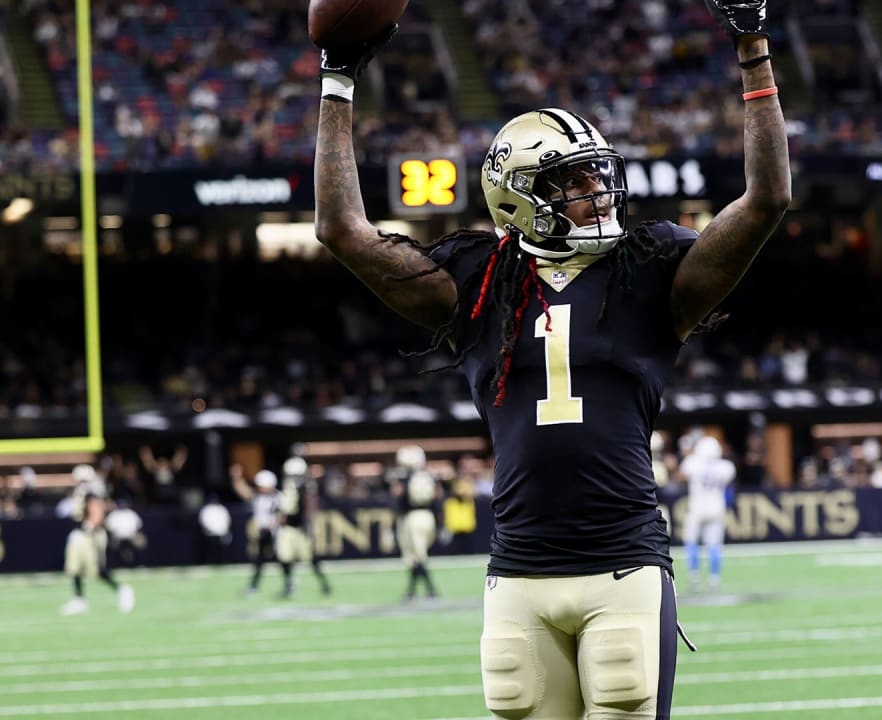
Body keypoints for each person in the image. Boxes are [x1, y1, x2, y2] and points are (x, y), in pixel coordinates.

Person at [312, 0, 787, 714]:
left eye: (596, 175)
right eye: (572, 182)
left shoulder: (650, 270)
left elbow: (767, 199)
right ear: (518, 201)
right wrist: (338, 81)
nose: (597, 192)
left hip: (623, 565)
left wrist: (752, 42)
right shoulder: (477, 285)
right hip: (520, 575)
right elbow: (341, 230)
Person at [61, 464, 134, 616]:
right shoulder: (81, 492)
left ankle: (121, 589)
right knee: (74, 568)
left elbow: (97, 511)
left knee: (96, 570)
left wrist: (91, 526)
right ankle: (79, 600)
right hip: (80, 533)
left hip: (90, 534)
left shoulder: (92, 492)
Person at [679, 436, 736, 592]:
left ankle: (694, 576)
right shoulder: (726, 467)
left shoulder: (692, 463)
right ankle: (714, 578)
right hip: (717, 508)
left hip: (697, 508)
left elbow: (682, 474)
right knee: (714, 545)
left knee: (691, 541)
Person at [276, 456, 333, 597]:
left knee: (310, 558)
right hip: (289, 527)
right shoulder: (290, 484)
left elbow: (309, 505)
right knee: (284, 557)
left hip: (301, 527)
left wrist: (307, 523)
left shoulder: (306, 485)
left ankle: (324, 584)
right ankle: (289, 586)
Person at [388, 445, 440, 600]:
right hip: (428, 516)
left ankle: (431, 589)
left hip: (412, 517)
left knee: (417, 555)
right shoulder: (429, 476)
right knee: (415, 556)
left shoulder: (404, 478)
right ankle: (412, 590)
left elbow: (397, 497)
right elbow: (439, 497)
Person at [233, 467, 282, 596]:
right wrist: (237, 479)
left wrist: (275, 524)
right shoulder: (258, 497)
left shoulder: (278, 497)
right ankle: (254, 586)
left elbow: (283, 515)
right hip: (263, 532)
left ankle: (288, 584)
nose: (259, 487)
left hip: (275, 534)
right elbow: (245, 492)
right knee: (260, 561)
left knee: (280, 560)